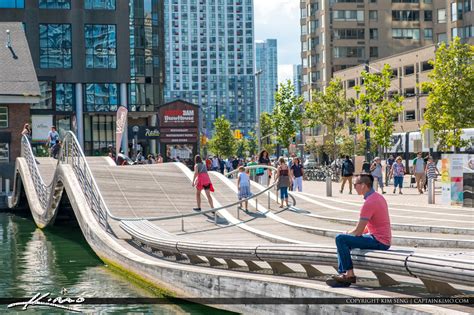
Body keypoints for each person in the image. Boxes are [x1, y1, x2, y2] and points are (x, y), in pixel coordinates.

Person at [326, 174, 391, 287]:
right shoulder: (378, 197)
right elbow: (367, 227)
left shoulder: (369, 203)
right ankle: (345, 274)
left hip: (379, 241)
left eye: (355, 184)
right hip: (381, 239)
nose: (353, 186)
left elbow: (358, 232)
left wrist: (347, 234)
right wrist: (349, 234)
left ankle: (348, 274)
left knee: (340, 239)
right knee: (344, 240)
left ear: (363, 186)